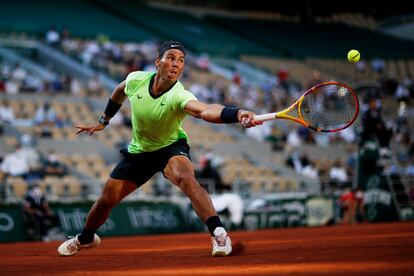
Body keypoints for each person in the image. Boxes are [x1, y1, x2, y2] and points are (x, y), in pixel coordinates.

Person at [57, 41, 261, 257]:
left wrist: (237, 113)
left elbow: (205, 110)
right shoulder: (136, 80)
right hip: (139, 152)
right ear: (158, 63)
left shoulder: (179, 95)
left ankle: (219, 235)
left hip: (169, 148)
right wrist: (104, 119)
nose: (176, 64)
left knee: (187, 179)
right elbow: (119, 91)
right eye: (171, 58)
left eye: (181, 60)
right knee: (106, 200)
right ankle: (85, 238)